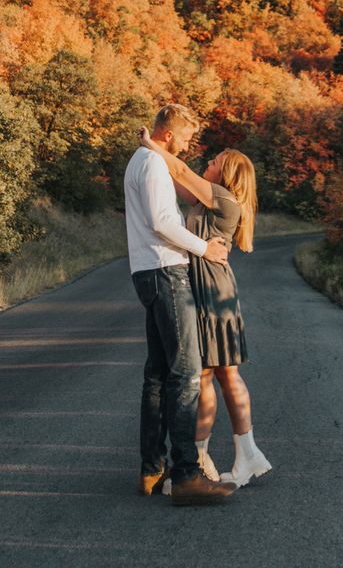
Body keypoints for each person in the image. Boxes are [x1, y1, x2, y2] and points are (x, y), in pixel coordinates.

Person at [138, 126, 272, 489]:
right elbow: (173, 172)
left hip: (211, 291)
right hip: (208, 287)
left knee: (213, 374)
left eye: (214, 161)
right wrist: (157, 153)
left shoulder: (223, 198)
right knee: (222, 373)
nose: (207, 163)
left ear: (225, 173)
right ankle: (242, 454)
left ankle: (202, 458)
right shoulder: (205, 201)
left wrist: (152, 144)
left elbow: (179, 171)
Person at [124, 103, 236, 506]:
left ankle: (151, 470)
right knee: (186, 374)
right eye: (185, 139)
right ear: (168, 134)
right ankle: (187, 475)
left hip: (146, 271)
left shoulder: (142, 160)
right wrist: (204, 248)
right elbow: (162, 222)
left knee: (156, 375)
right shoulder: (152, 165)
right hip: (166, 271)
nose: (187, 148)